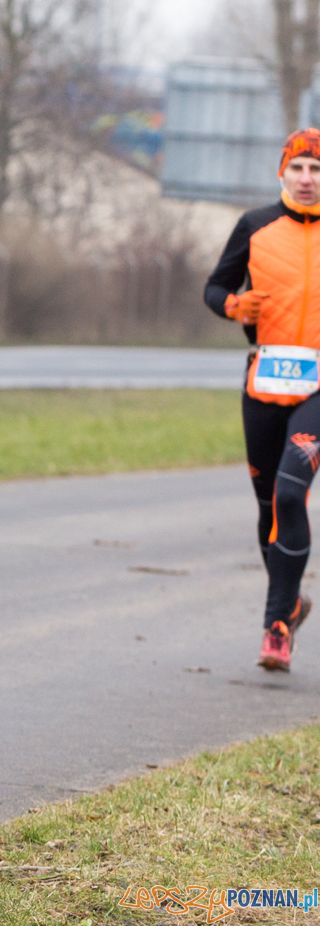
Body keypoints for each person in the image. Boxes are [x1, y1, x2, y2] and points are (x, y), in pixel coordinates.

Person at [205, 127, 320, 672]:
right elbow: (214, 288)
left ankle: (275, 629)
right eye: (297, 168)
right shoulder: (254, 226)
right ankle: (291, 602)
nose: (306, 179)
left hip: (318, 390)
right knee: (269, 506)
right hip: (264, 383)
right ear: (282, 172)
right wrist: (235, 307)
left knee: (293, 490)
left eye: (316, 170)